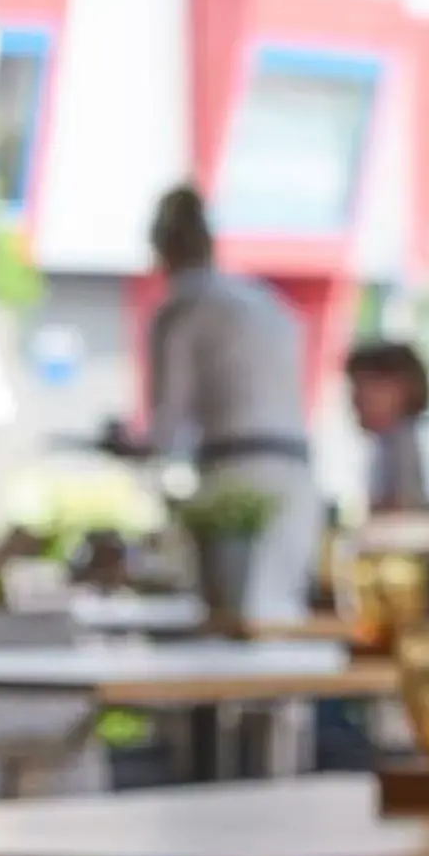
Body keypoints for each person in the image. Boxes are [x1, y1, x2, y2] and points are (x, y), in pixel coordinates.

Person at [116, 185, 323, 624]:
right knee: (280, 620)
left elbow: (165, 430)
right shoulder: (265, 302)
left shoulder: (183, 309)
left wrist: (124, 445)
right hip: (297, 475)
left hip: (233, 481)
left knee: (228, 621)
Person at [343, 340, 429, 514]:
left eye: (364, 386)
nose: (355, 400)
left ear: (402, 388)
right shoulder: (385, 445)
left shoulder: (422, 444)